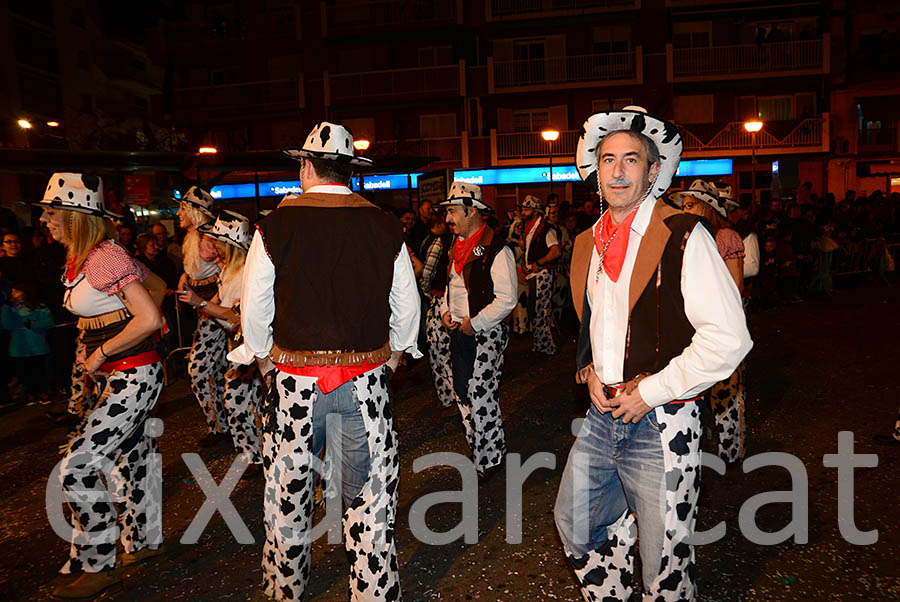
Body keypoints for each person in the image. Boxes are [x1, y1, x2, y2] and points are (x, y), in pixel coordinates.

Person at [554, 107, 752, 601]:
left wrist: (653, 390)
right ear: (595, 171)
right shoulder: (587, 242)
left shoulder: (686, 235)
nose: (618, 171)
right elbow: (594, 324)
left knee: (664, 565)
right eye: (608, 160)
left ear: (653, 170)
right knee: (576, 523)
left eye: (631, 160)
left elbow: (729, 339)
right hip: (603, 416)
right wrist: (591, 372)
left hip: (665, 421)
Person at [228, 122, 420, 602]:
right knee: (368, 498)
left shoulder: (274, 224)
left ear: (306, 166)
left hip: (294, 382)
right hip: (365, 381)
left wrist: (265, 360)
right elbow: (406, 305)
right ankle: (373, 592)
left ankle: (286, 591)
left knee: (288, 498)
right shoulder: (384, 223)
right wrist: (393, 359)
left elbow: (255, 310)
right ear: (351, 171)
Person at [37, 173, 166, 600]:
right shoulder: (87, 256)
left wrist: (103, 351)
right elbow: (157, 286)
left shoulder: (104, 256)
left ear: (75, 216)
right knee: (132, 458)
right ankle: (145, 541)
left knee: (78, 464)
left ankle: (99, 562)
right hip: (121, 373)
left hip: (134, 373)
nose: (45, 221)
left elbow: (147, 315)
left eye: (52, 213)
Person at [439, 181, 517, 479]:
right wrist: (447, 312)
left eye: (453, 211)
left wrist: (475, 323)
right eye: (448, 211)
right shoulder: (455, 247)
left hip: (486, 331)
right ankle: (480, 448)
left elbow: (507, 299)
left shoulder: (497, 249)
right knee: (462, 392)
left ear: (472, 212)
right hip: (461, 329)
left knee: (480, 394)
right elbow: (451, 287)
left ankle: (490, 458)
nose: (448, 218)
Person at [178, 211, 263, 478]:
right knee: (246, 402)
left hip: (249, 346)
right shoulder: (229, 269)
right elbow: (222, 305)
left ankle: (257, 455)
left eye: (218, 241)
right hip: (236, 344)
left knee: (238, 399)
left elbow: (236, 319)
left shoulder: (244, 275)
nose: (213, 245)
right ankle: (254, 453)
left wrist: (201, 303)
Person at [671, 179, 748, 463]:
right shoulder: (686, 236)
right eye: (685, 205)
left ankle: (730, 452)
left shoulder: (725, 236)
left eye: (691, 205)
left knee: (725, 386)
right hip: (691, 323)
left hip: (719, 323)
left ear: (706, 207)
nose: (686, 210)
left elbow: (735, 287)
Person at [177, 187, 229, 448]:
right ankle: (222, 425)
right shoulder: (193, 235)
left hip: (214, 311)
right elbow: (196, 269)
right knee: (215, 367)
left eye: (182, 208)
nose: (178, 213)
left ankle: (220, 426)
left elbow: (229, 267)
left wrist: (215, 300)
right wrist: (186, 278)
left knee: (198, 368)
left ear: (194, 212)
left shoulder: (209, 237)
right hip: (205, 308)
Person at [419, 214, 455, 408]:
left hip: (440, 299)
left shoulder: (439, 243)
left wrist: (427, 293)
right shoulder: (468, 241)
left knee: (439, 351)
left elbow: (426, 273)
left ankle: (448, 397)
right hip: (461, 303)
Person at [519, 194, 561, 355]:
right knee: (535, 310)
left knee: (540, 311)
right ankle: (540, 344)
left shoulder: (545, 229)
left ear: (535, 211)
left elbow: (556, 251)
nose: (523, 212)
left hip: (543, 274)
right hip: (535, 274)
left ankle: (547, 347)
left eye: (526, 209)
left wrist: (539, 263)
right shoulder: (532, 228)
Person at [1, 280, 54, 404]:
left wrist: (33, 324)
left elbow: (49, 322)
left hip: (37, 344)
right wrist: (6, 309)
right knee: (24, 372)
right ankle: (31, 393)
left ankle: (43, 392)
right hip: (19, 346)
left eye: (16, 291)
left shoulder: (39, 307)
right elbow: (6, 325)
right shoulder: (10, 308)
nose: (13, 293)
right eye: (12, 291)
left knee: (39, 370)